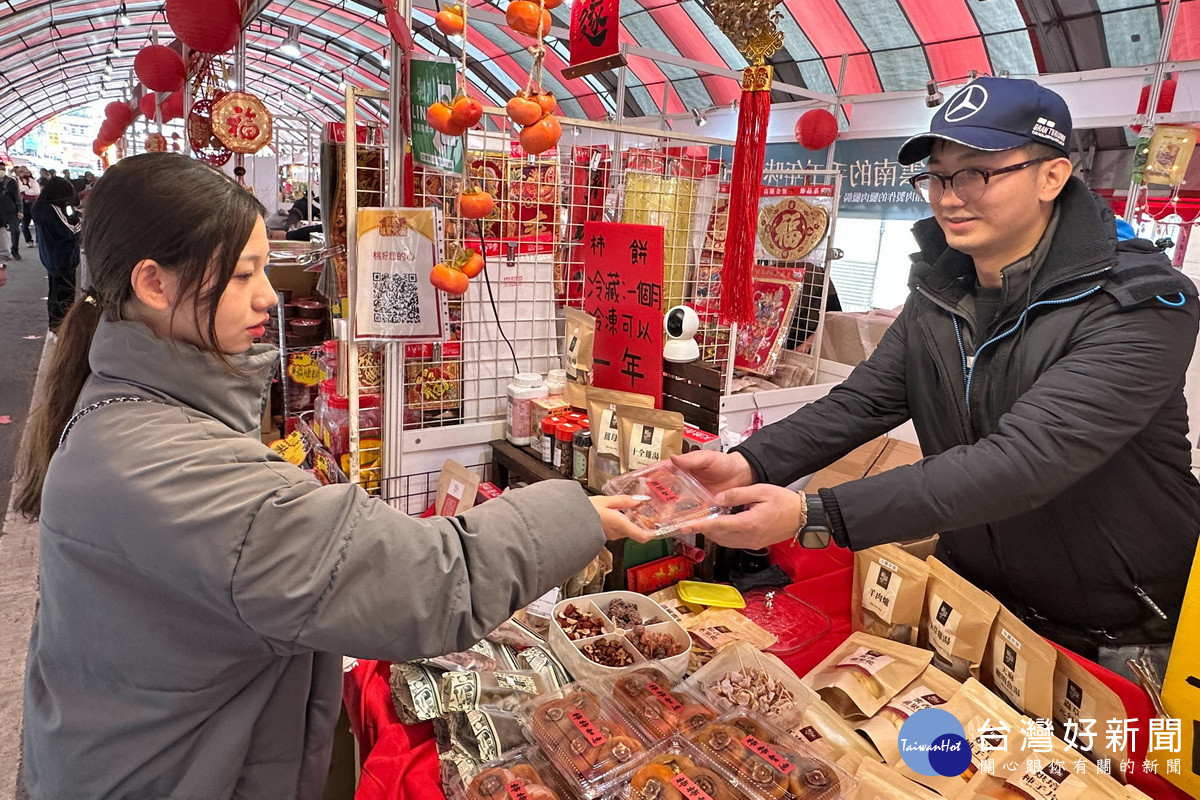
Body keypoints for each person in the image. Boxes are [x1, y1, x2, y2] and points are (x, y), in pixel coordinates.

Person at [12, 152, 661, 799]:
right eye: (245, 274)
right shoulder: (174, 471)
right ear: (154, 285)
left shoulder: (123, 408)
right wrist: (580, 512)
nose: (270, 293)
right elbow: (433, 583)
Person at [676, 77, 1200, 679]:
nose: (950, 197)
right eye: (937, 176)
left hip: (1117, 628)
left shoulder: (1136, 302)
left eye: (977, 172)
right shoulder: (943, 288)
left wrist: (812, 513)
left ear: (1052, 177)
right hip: (980, 601)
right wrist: (749, 463)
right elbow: (865, 399)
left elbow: (1024, 460)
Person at [30, 177, 80, 332]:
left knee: (55, 292)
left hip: (51, 258)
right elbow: (69, 230)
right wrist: (79, 218)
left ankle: (55, 324)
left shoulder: (40, 207)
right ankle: (62, 326)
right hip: (62, 258)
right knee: (65, 294)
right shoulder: (52, 209)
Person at [0, 162, 22, 260]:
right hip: (1, 212)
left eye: (3, 169)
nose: (2, 171)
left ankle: (15, 250)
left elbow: (17, 197)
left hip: (11, 210)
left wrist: (20, 210)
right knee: (2, 232)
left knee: (15, 231)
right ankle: (4, 252)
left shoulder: (11, 182)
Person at [17, 166, 40, 244]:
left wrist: (25, 190)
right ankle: (29, 240)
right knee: (25, 224)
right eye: (23, 172)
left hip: (33, 204)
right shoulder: (16, 180)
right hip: (23, 204)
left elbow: (36, 191)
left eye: (27, 172)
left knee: (37, 223)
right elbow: (18, 189)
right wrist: (28, 188)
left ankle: (38, 240)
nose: (26, 174)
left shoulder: (33, 181)